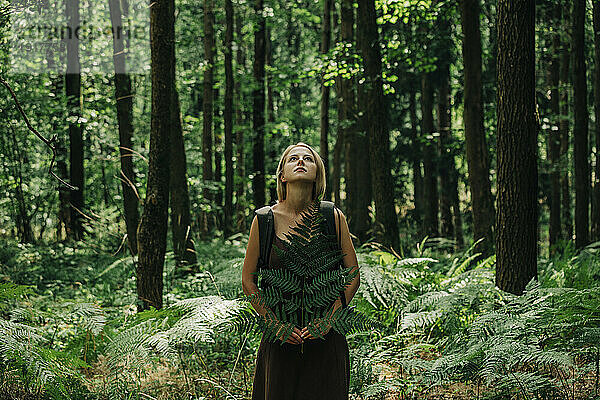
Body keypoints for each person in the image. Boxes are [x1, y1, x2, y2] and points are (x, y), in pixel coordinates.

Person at [241, 142, 360, 400]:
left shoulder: (332, 216)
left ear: (317, 173)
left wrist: (329, 319)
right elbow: (248, 281)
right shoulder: (264, 220)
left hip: (326, 340)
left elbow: (353, 274)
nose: (301, 161)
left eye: (309, 159)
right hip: (279, 339)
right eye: (293, 158)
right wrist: (274, 324)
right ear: (282, 175)